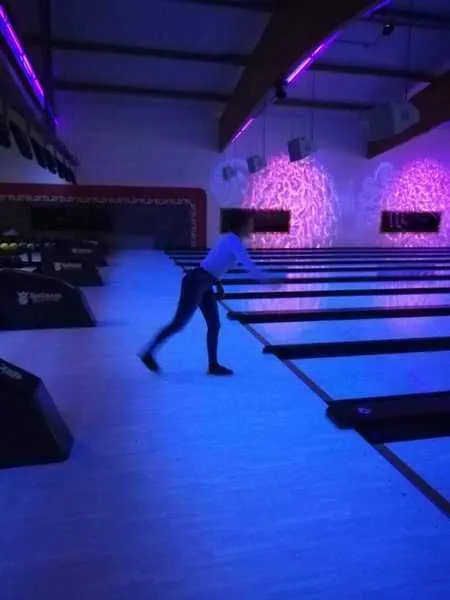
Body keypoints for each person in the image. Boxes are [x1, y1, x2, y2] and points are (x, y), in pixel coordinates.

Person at [140, 213, 273, 375]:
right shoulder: (234, 242)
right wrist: (271, 280)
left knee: (214, 324)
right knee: (178, 324)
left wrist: (218, 283)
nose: (252, 228)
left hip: (204, 282)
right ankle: (148, 353)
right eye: (250, 224)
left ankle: (213, 365)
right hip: (196, 282)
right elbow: (250, 268)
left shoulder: (230, 240)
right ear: (242, 225)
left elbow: (212, 264)